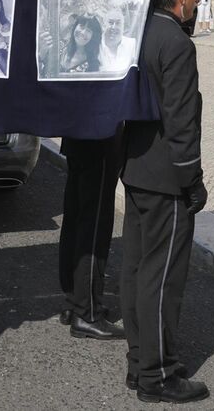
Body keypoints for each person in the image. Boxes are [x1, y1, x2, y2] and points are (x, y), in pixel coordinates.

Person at [120, 0, 209, 404]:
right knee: (162, 277)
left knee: (136, 270)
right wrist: (192, 178)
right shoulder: (176, 42)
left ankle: (140, 362)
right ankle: (158, 374)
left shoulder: (140, 31)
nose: (196, 1)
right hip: (166, 177)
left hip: (137, 168)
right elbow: (181, 119)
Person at [58, 132, 125, 340]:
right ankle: (87, 313)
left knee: (75, 218)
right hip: (100, 135)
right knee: (94, 225)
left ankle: (75, 300)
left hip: (76, 133)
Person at [99, 8, 136, 72]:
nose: (114, 27)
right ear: (103, 25)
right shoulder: (96, 44)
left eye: (118, 23)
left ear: (123, 26)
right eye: (110, 22)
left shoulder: (133, 45)